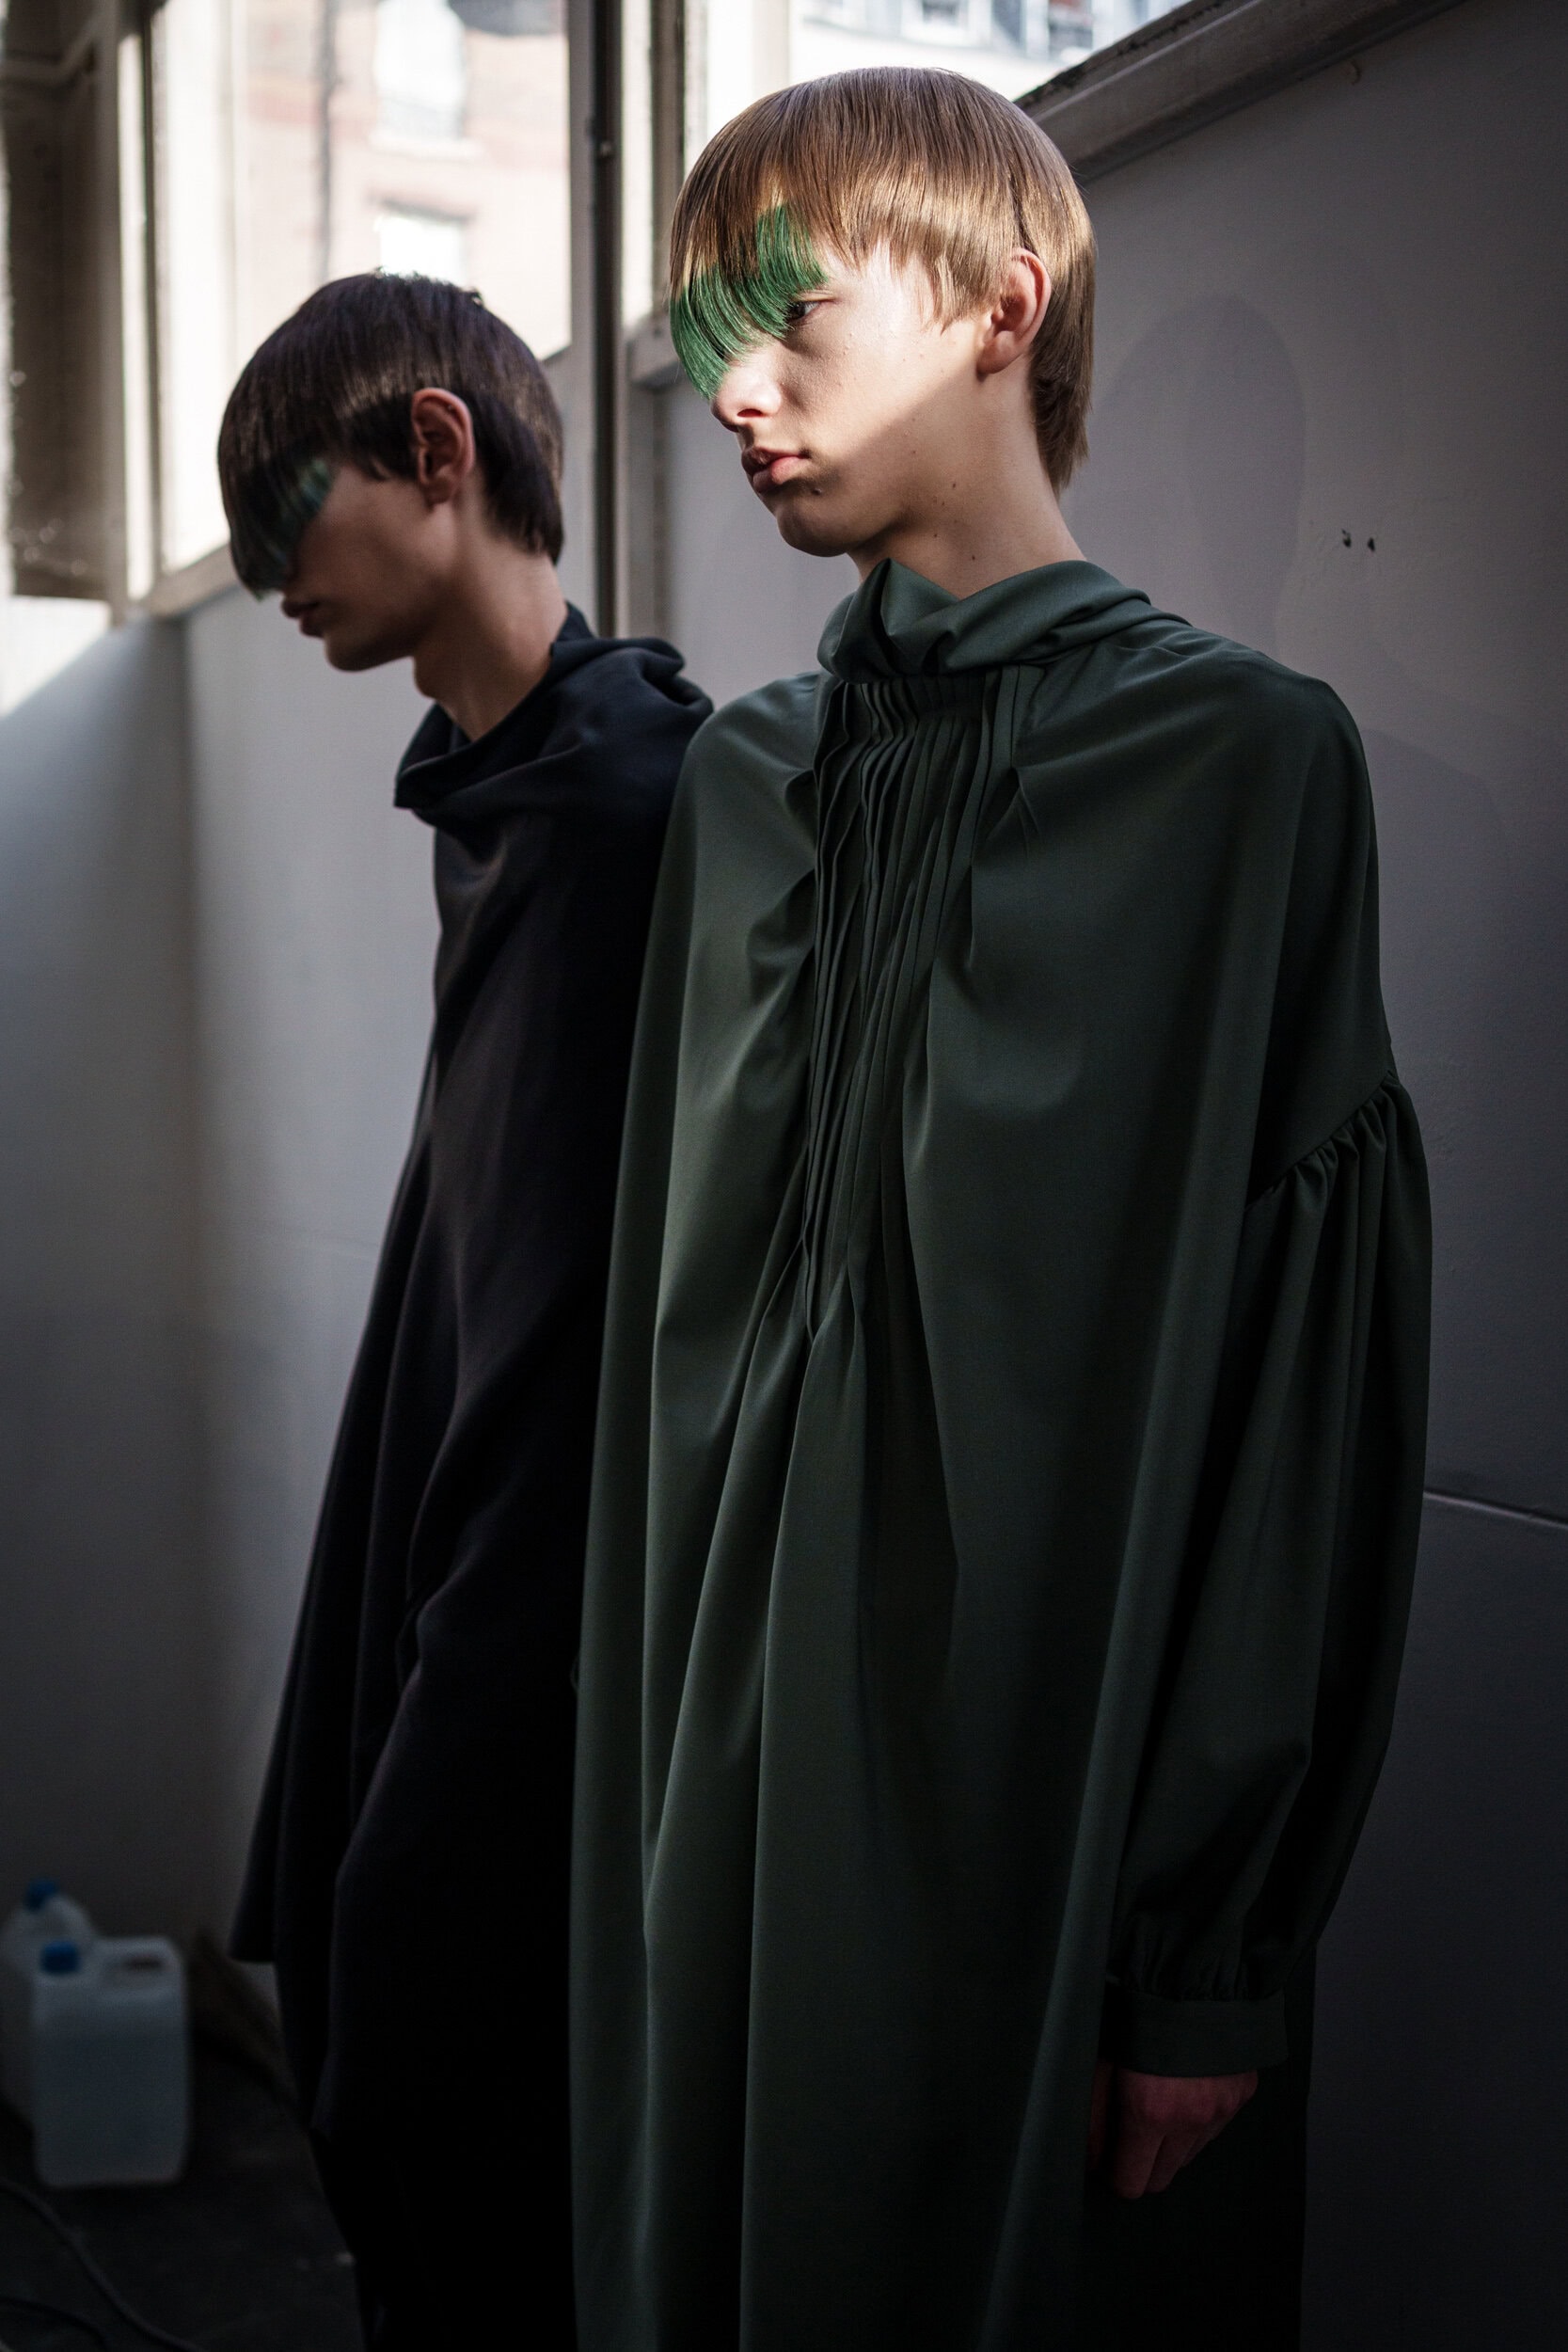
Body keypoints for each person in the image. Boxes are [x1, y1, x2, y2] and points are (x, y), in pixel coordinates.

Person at [570, 69, 1429, 2352]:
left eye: (788, 318)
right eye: (705, 335)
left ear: (998, 307)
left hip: (1034, 1839)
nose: (731, 392)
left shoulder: (1242, 772)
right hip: (713, 1825)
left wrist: (1208, 1949)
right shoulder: (743, 784)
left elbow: (1296, 1394)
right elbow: (670, 1356)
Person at [218, 272, 709, 2349]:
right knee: (370, 2035)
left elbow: (595, 1316)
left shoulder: (639, 808)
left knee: (439, 2080)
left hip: (551, 1581)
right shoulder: (493, 797)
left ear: (438, 450)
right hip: (451, 1518)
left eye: (285, 515)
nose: (266, 578)